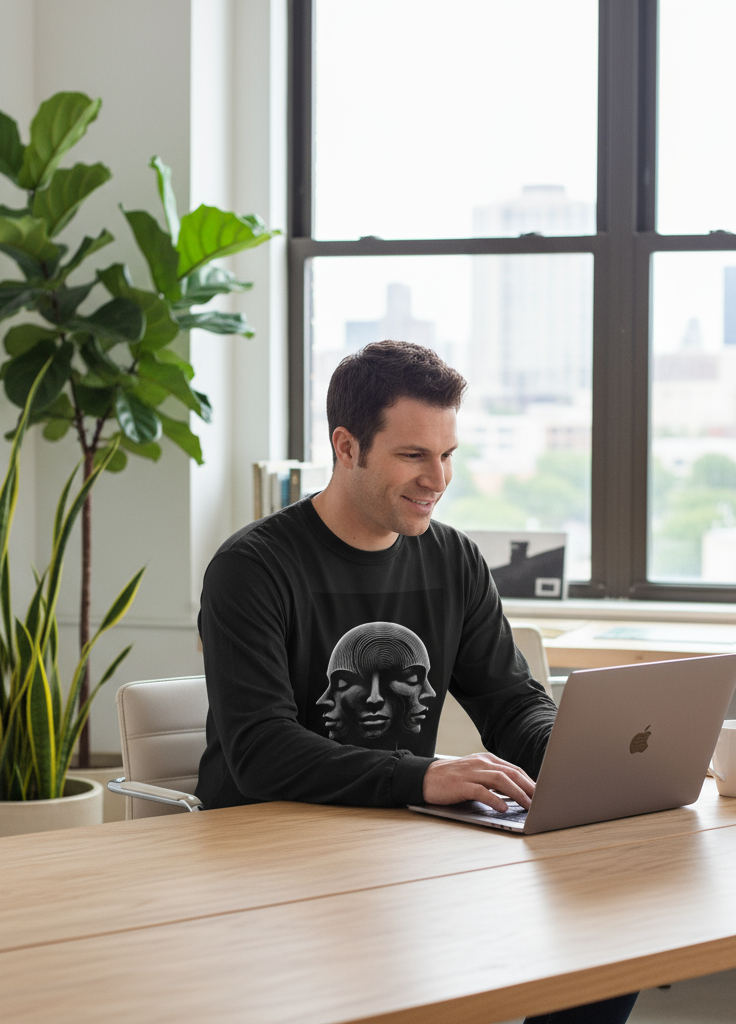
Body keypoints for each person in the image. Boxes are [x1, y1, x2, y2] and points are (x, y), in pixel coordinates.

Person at [196, 340, 636, 1024]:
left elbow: (510, 701)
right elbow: (260, 751)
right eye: (413, 456)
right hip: (267, 858)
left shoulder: (453, 558)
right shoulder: (252, 569)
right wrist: (425, 775)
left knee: (610, 932)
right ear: (347, 446)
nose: (438, 478)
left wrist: (576, 758)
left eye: (448, 455)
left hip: (399, 847)